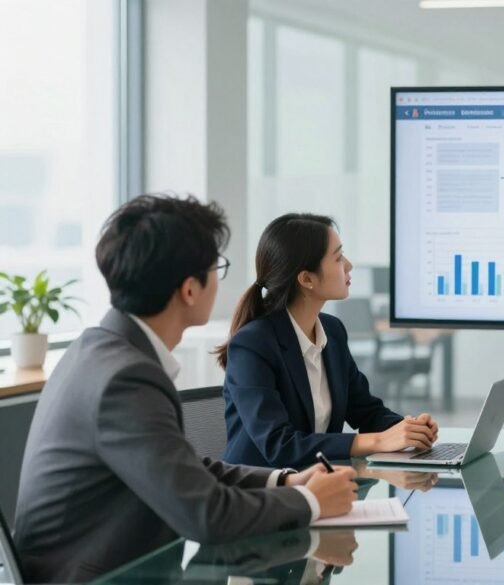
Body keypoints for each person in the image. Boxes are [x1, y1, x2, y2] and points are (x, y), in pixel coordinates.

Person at [14, 195, 359, 584]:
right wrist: (310, 501)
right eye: (216, 267)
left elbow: (186, 469)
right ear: (190, 290)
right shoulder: (123, 378)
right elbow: (206, 516)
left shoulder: (105, 350)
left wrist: (284, 480)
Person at [217, 213, 438, 468]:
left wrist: (408, 428)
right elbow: (280, 445)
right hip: (262, 494)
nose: (349, 265)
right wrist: (377, 442)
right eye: (338, 257)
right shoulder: (253, 344)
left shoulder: (332, 331)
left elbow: (365, 410)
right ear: (307, 279)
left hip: (318, 485)